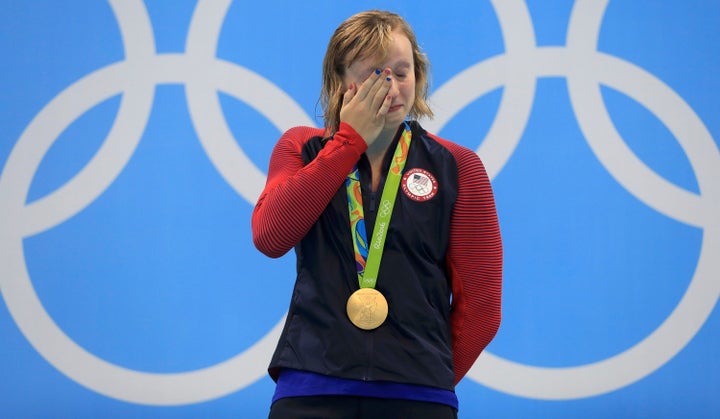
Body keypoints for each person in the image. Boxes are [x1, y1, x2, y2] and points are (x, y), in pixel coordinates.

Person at [252, 9, 502, 419]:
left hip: (418, 396)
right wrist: (348, 140)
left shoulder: (458, 166)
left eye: (401, 73)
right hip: (311, 388)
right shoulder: (302, 148)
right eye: (373, 75)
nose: (390, 88)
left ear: (418, 76)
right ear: (339, 81)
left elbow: (483, 306)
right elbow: (270, 236)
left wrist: (424, 374)